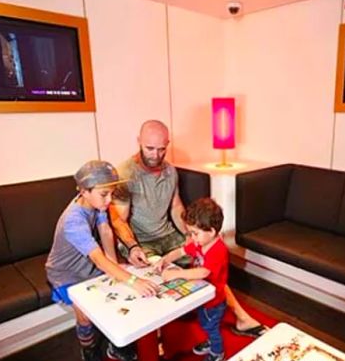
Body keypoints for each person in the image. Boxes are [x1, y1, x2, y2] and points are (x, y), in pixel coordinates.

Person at [109, 119, 268, 338]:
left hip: (168, 235)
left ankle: (241, 318)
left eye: (161, 149)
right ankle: (155, 339)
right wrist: (133, 246)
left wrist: (188, 236)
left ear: (168, 144)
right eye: (150, 148)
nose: (156, 155)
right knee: (158, 275)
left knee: (209, 264)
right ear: (139, 141)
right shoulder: (125, 174)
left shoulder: (170, 172)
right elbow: (119, 220)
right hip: (140, 241)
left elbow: (176, 207)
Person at [46, 160, 159, 361]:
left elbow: (105, 230)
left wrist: (116, 267)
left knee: (116, 299)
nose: (109, 201)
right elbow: (98, 259)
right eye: (104, 195)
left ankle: (115, 348)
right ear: (84, 191)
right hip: (66, 274)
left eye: (111, 194)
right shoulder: (73, 220)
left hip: (86, 265)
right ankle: (89, 354)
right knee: (86, 315)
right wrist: (132, 280)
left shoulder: (95, 205)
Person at [154, 198, 228, 361]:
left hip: (214, 301)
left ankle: (218, 352)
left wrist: (176, 274)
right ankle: (211, 340)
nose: (192, 238)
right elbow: (181, 251)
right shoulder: (199, 243)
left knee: (211, 326)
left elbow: (203, 272)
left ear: (211, 231)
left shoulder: (218, 249)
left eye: (195, 233)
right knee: (205, 323)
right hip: (203, 297)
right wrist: (165, 260)